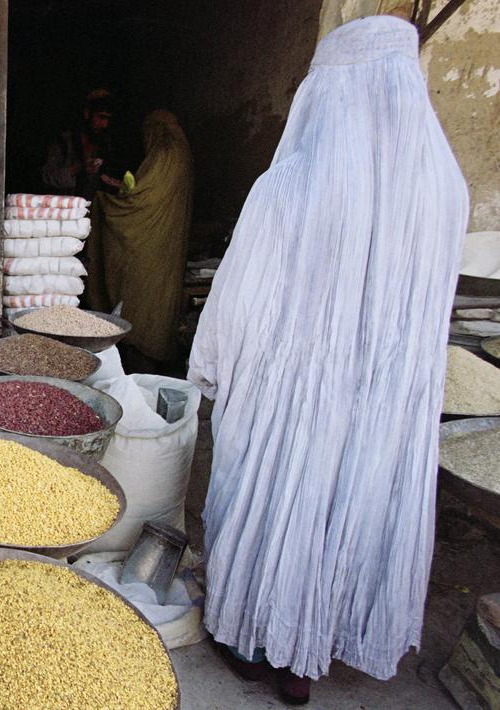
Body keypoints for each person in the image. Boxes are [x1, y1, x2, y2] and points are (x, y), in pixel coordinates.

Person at [187, 16, 468, 705]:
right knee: (353, 507)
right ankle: (308, 657)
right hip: (382, 402)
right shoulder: (445, 190)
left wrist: (213, 369)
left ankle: (259, 642)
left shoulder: (288, 188)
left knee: (279, 500)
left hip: (292, 394)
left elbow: (239, 300)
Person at [84, 110, 192, 369]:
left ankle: (140, 354)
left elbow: (139, 197)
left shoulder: (164, 155)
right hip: (168, 244)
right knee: (158, 301)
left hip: (149, 245)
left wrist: (106, 197)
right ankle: (151, 353)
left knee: (142, 301)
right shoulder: (182, 154)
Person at [40, 88, 127, 198]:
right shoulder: (64, 142)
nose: (105, 124)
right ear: (87, 114)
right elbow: (46, 177)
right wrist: (78, 168)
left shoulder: (105, 145)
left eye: (108, 119)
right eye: (101, 117)